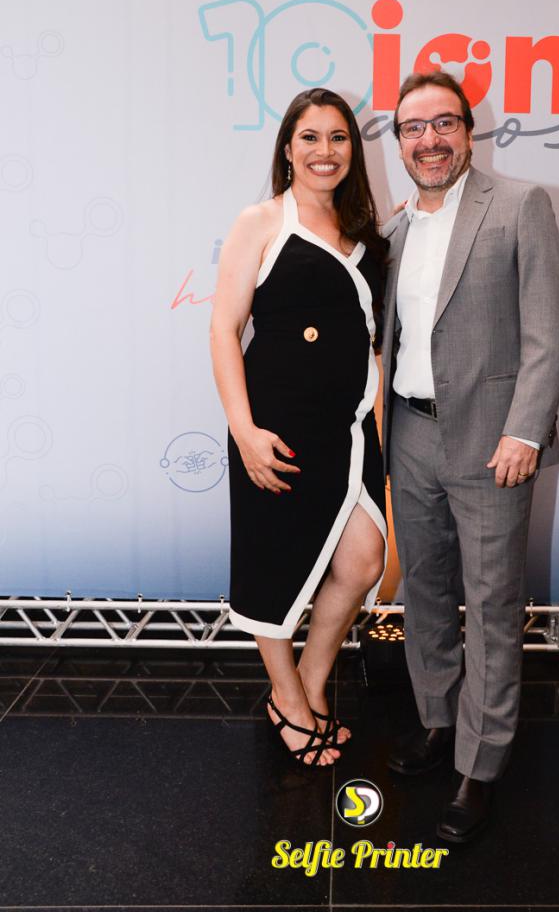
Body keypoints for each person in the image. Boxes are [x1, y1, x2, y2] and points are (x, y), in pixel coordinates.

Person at [381, 71, 559, 839]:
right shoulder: (394, 230)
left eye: (443, 124)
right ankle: (437, 720)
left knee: (491, 605)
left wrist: (525, 431)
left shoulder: (521, 205)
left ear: (468, 130)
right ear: (399, 142)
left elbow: (547, 334)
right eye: (412, 128)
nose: (428, 140)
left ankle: (480, 765)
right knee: (424, 591)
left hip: (493, 442)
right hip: (409, 432)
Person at [210, 88, 388, 768]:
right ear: (288, 147)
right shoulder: (260, 221)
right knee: (273, 564)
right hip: (275, 430)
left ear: (353, 150)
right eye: (309, 137)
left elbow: (372, 342)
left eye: (338, 137)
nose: (324, 151)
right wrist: (245, 431)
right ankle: (286, 699)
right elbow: (224, 329)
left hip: (350, 433)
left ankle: (311, 681)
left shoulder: (367, 235)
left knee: (363, 560)